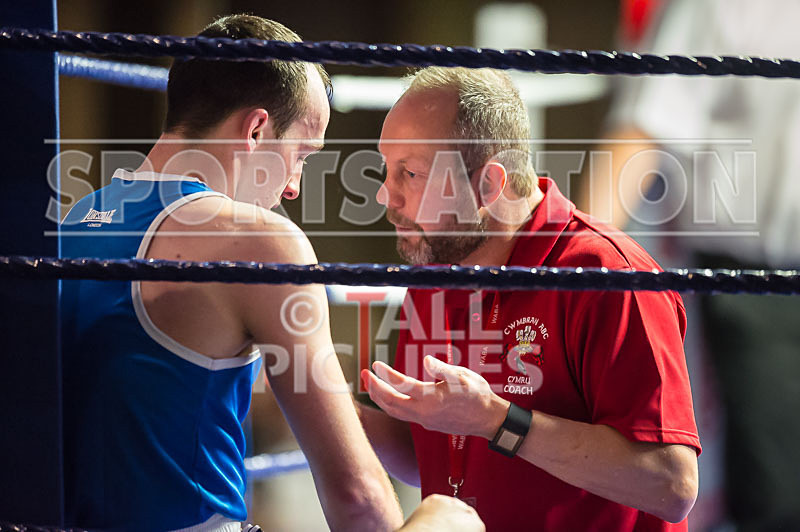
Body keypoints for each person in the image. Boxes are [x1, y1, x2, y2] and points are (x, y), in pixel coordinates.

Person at [59, 14, 403, 531]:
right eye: (301, 157)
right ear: (257, 129)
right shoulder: (263, 243)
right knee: (451, 516)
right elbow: (358, 498)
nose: (292, 188)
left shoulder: (74, 220)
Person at [358, 67, 701, 530]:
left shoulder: (609, 275)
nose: (386, 194)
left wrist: (499, 420)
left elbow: (673, 485)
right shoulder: (436, 267)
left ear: (488, 185)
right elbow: (435, 463)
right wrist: (319, 405)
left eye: (411, 172)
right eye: (387, 168)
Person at [578, 1, 800, 528]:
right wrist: (577, 266)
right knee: (775, 496)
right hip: (752, 286)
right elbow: (642, 132)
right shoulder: (716, 6)